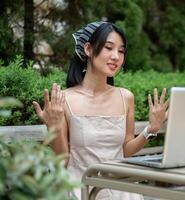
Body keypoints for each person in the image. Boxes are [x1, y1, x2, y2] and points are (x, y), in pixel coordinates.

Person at [32, 21, 168, 200]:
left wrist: (151, 129)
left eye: (121, 51)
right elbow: (63, 160)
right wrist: (55, 127)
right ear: (88, 49)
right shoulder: (64, 100)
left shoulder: (126, 97)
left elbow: (126, 150)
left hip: (121, 190)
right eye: (108, 48)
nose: (116, 57)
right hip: (80, 190)